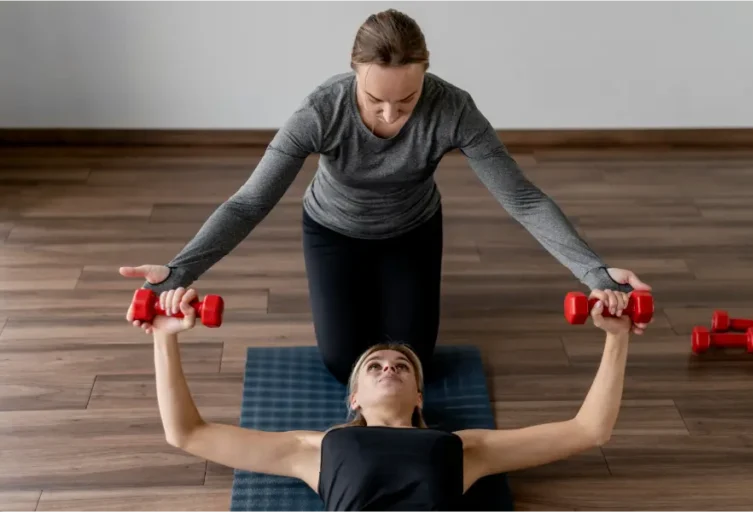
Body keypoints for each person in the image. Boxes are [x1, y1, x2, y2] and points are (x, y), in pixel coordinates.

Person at [120, 9, 651, 384]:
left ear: (426, 77)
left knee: (414, 361)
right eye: (375, 100)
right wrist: (181, 270)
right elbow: (248, 202)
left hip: (411, 231)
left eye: (408, 100)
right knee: (343, 364)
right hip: (332, 232)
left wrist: (596, 275)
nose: (392, 117)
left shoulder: (453, 109)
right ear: (354, 71)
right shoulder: (319, 112)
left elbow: (525, 200)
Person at [147, 285, 633, 510]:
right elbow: (187, 434)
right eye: (375, 367)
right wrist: (164, 336)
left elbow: (590, 430)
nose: (389, 368)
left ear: (419, 394)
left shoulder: (465, 449)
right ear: (353, 397)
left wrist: (618, 336)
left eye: (403, 366)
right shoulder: (316, 448)